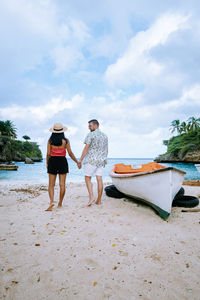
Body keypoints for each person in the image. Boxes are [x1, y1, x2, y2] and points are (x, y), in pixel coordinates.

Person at [46, 122, 80, 211]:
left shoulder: (50, 141)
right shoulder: (66, 141)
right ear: (62, 131)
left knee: (51, 185)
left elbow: (48, 154)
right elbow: (70, 153)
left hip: (52, 161)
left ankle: (52, 201)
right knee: (62, 185)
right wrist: (77, 161)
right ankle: (60, 203)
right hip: (62, 161)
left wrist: (47, 164)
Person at [79, 119, 108, 206]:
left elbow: (86, 148)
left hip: (91, 160)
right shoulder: (105, 136)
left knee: (87, 178)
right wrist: (103, 158)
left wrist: (80, 160)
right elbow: (106, 150)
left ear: (96, 125)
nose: (89, 128)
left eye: (90, 126)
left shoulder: (90, 135)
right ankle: (98, 200)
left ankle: (91, 197)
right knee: (99, 179)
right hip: (101, 160)